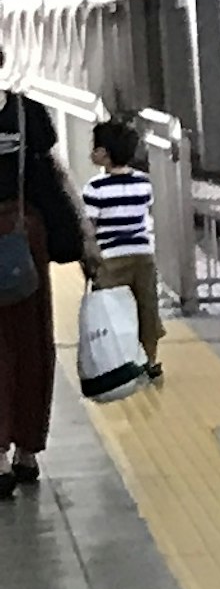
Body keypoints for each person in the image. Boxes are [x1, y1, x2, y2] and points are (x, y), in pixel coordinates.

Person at [0, 89, 84, 492]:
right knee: (33, 344)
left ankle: (0, 457)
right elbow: (56, 174)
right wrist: (85, 233)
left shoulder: (27, 110)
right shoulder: (26, 111)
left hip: (21, 240)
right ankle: (26, 452)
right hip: (24, 239)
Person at [83, 112, 158, 398]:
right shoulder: (144, 183)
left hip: (110, 258)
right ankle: (150, 361)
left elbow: (90, 227)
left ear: (103, 154)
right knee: (146, 310)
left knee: (112, 312)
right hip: (142, 255)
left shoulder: (95, 189)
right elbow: (145, 213)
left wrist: (88, 258)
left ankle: (115, 362)